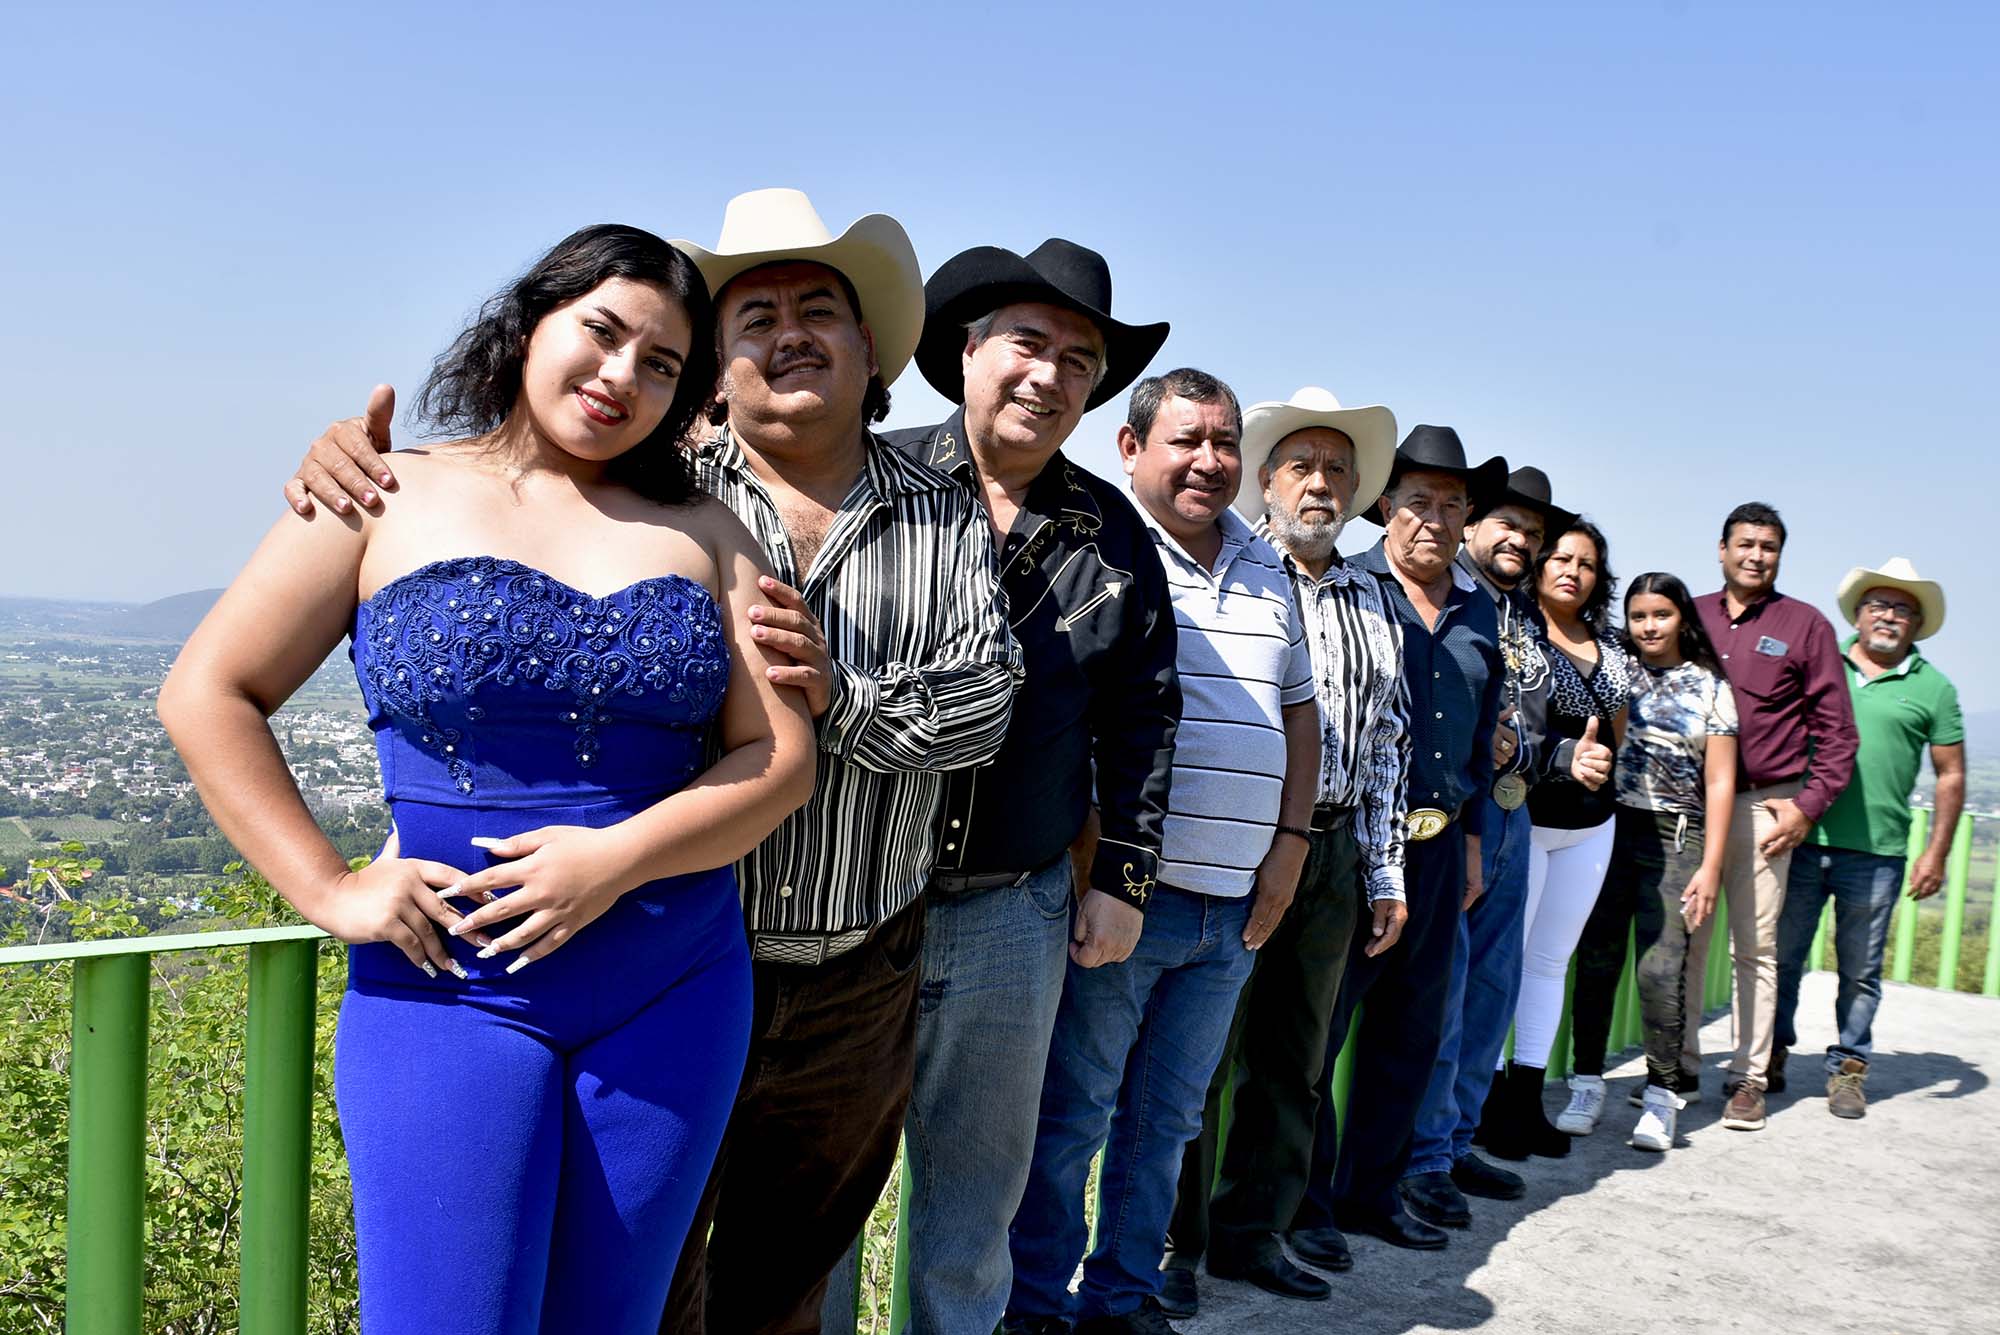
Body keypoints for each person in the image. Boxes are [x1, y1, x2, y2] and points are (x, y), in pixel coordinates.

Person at [281, 189, 1023, 1335]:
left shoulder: (939, 506)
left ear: (866, 344)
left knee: (778, 1289)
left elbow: (978, 702)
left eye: (816, 308)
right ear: (718, 374)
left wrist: (842, 699)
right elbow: (222, 685)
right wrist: (326, 884)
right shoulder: (645, 482)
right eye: (754, 315)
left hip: (841, 961)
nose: (787, 332)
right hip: (557, 959)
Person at [161, 225, 818, 1334]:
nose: (621, 377)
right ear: (530, 324)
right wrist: (327, 891)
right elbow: (206, 693)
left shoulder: (709, 532)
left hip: (674, 988)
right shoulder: (383, 491)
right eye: (601, 333)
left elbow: (781, 761)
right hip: (445, 986)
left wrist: (612, 860)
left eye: (661, 365)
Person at [875, 239, 1179, 1335]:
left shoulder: (1111, 534)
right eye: (1027, 344)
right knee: (810, 1202)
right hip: (856, 904)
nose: (1048, 375)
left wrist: (1126, 880)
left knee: (973, 1211)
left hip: (1016, 911)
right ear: (966, 354)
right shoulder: (874, 484)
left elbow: (1143, 712)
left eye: (1078, 360)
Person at [1003, 369, 1318, 1335]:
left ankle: (1123, 1299)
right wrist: (1105, 866)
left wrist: (1290, 846)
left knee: (1168, 1120)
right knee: (1075, 1116)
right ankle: (1033, 1307)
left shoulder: (1268, 566)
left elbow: (1299, 714)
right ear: (1131, 448)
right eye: (1186, 440)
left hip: (1234, 906)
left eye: (1225, 442)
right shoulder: (1106, 559)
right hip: (1130, 895)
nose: (1209, 461)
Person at [1163, 386, 1410, 1316]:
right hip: (1235, 845)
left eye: (1337, 469)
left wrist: (1383, 871)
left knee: (1297, 1059)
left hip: (1335, 850)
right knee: (1202, 1056)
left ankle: (1252, 1230)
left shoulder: (1373, 598)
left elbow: (1386, 746)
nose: (1321, 484)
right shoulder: (1236, 574)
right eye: (1301, 465)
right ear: (1265, 481)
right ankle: (1172, 1241)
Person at [1290, 427, 1507, 1260]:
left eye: (1454, 505)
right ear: (1386, 506)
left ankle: (1372, 1194)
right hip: (1355, 840)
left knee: (1411, 1033)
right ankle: (1304, 1204)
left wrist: (1477, 843)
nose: (1437, 519)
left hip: (1443, 840)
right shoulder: (1352, 584)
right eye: (1420, 500)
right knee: (1320, 1030)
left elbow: (1485, 734)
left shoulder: (1479, 605)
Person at [1400, 466, 1612, 1230]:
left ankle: (1458, 1139)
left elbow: (1524, 728)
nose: (1520, 539)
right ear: (1472, 525)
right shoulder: (1445, 598)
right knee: (1448, 987)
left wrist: (1562, 760)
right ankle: (1422, 1156)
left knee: (1494, 983)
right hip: (1454, 816)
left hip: (1514, 813)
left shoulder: (1518, 612)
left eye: (1533, 531)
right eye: (1507, 524)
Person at [1775, 558, 1964, 1119]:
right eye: (1879, 605)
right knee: (1781, 957)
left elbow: (1950, 774)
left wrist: (1937, 851)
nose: (1889, 616)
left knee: (1860, 970)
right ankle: (1772, 1054)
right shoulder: (1820, 664)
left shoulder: (1934, 688)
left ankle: (1848, 1069)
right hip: (1802, 836)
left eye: (1903, 608)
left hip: (1878, 853)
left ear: (1917, 623)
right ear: (1858, 614)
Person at [1690, 502, 1857, 1132]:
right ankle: (1675, 1073)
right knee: (1686, 942)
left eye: (1769, 547)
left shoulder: (1805, 625)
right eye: (1746, 544)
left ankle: (1747, 1079)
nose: (1756, 555)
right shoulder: (1693, 615)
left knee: (1755, 949)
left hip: (1766, 807)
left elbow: (1837, 733)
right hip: (1693, 805)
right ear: (1722, 548)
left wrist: (1808, 808)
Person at [1557, 573, 1735, 1151]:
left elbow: (1722, 780)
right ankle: (1586, 1085)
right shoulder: (1616, 672)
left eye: (1661, 614)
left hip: (1677, 837)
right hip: (1609, 828)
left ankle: (1661, 1097)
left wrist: (1710, 867)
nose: (1649, 626)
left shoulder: (1711, 687)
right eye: (1638, 616)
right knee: (1598, 961)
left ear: (1682, 617)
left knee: (1661, 973)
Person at [1481, 519, 1629, 1160]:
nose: (1571, 569)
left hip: (1592, 827)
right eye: (1561, 557)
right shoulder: (1519, 634)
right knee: (1503, 963)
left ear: (1599, 579)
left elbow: (1615, 736)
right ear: (1540, 565)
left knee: (1548, 965)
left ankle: (1527, 1097)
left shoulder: (1614, 649)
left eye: (1587, 563)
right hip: (1528, 818)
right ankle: (1484, 1106)